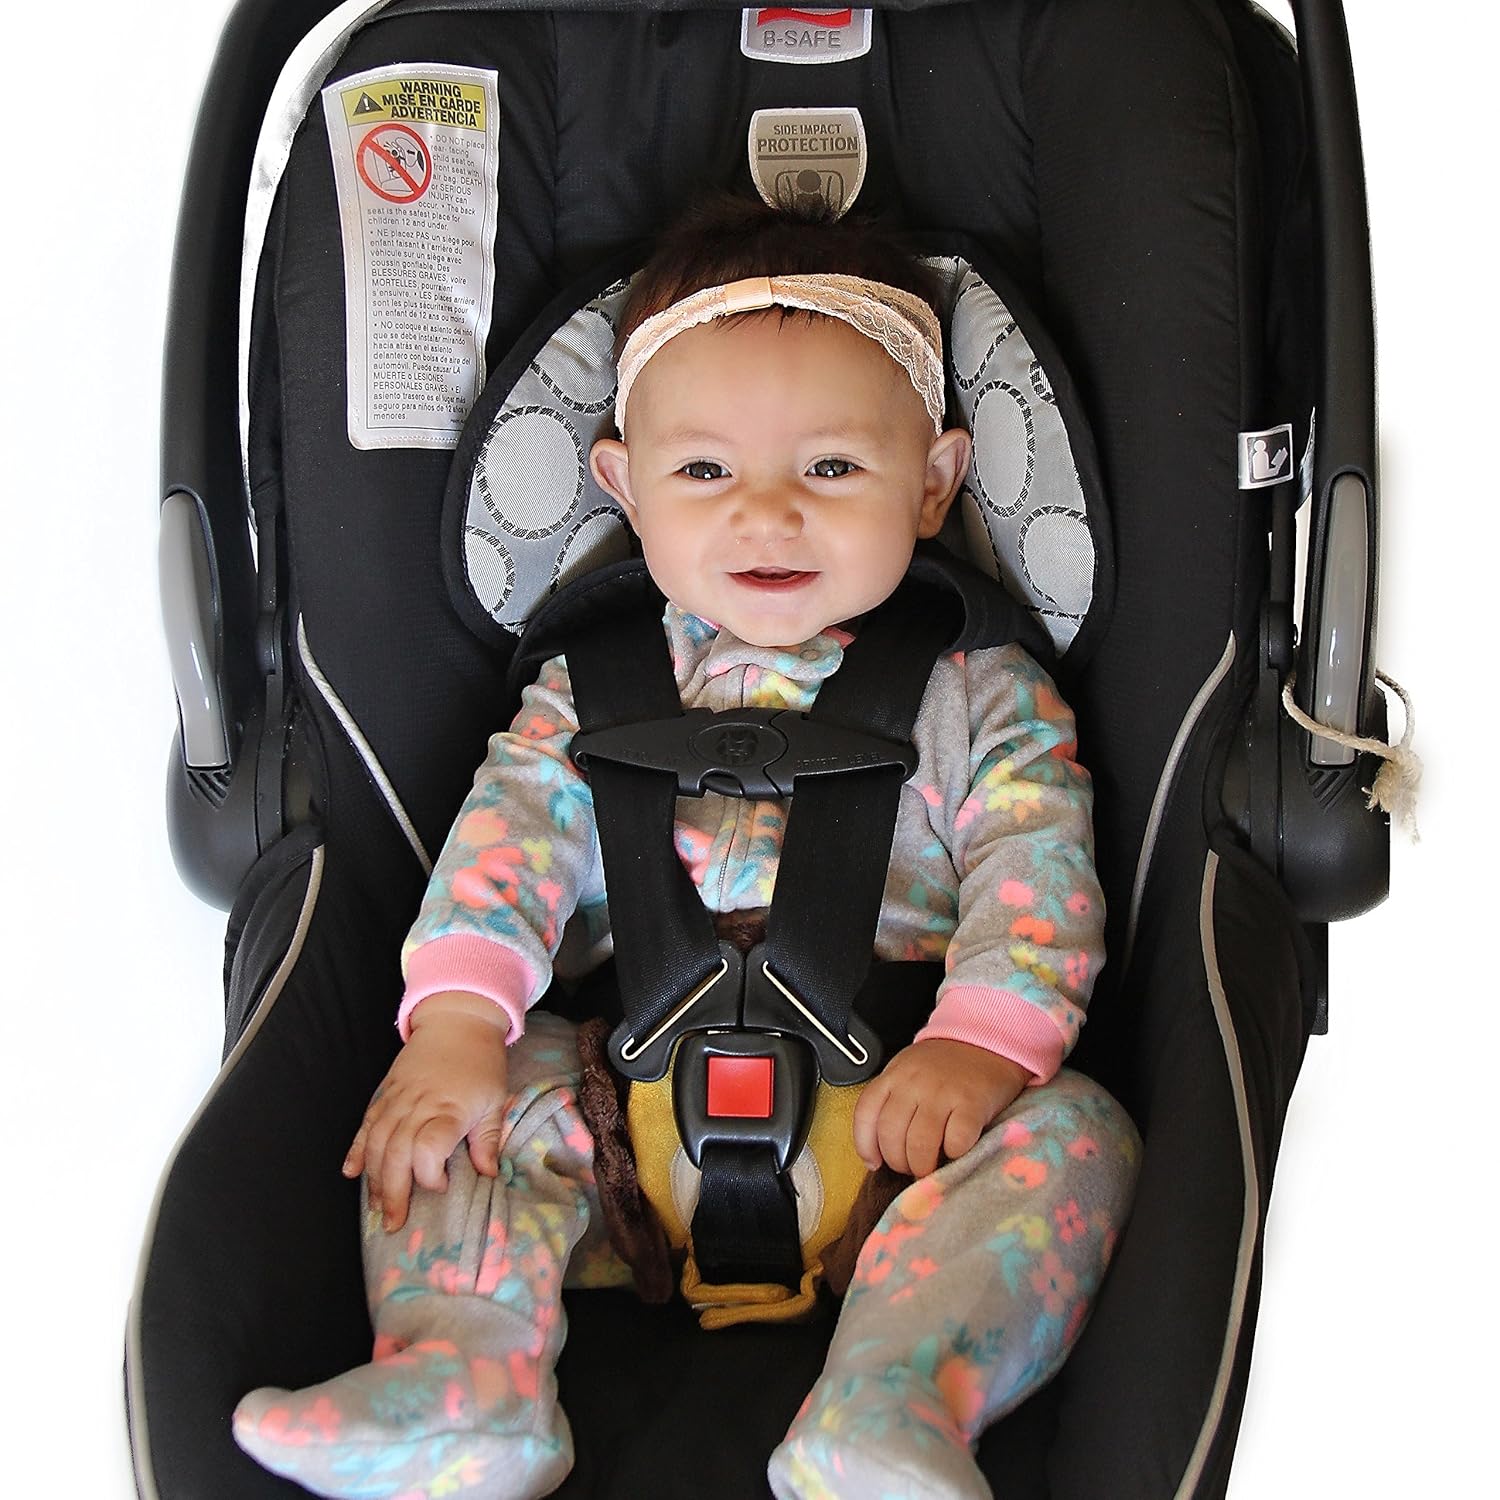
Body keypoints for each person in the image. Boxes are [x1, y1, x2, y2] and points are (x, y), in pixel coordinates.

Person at [233, 197, 1141, 1500]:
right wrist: (457, 1028)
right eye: (705, 473)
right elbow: (508, 848)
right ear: (624, 487)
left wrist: (983, 1046)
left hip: (902, 1145)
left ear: (935, 483)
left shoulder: (982, 698)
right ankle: (468, 1373)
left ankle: (891, 1399)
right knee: (448, 1119)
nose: (766, 516)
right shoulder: (589, 694)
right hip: (619, 1129)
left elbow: (1033, 874)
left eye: (833, 470)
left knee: (1080, 1134)